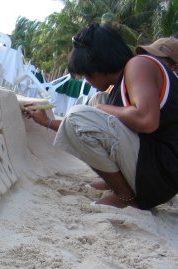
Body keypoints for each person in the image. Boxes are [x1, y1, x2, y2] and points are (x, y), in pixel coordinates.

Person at [23, 24, 178, 209]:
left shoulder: (140, 64)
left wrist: (101, 109)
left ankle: (125, 196)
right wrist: (47, 122)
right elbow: (86, 128)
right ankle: (119, 183)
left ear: (96, 65)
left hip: (159, 177)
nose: (88, 81)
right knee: (98, 101)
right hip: (160, 174)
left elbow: (146, 121)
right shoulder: (120, 84)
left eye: (86, 74)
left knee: (84, 112)